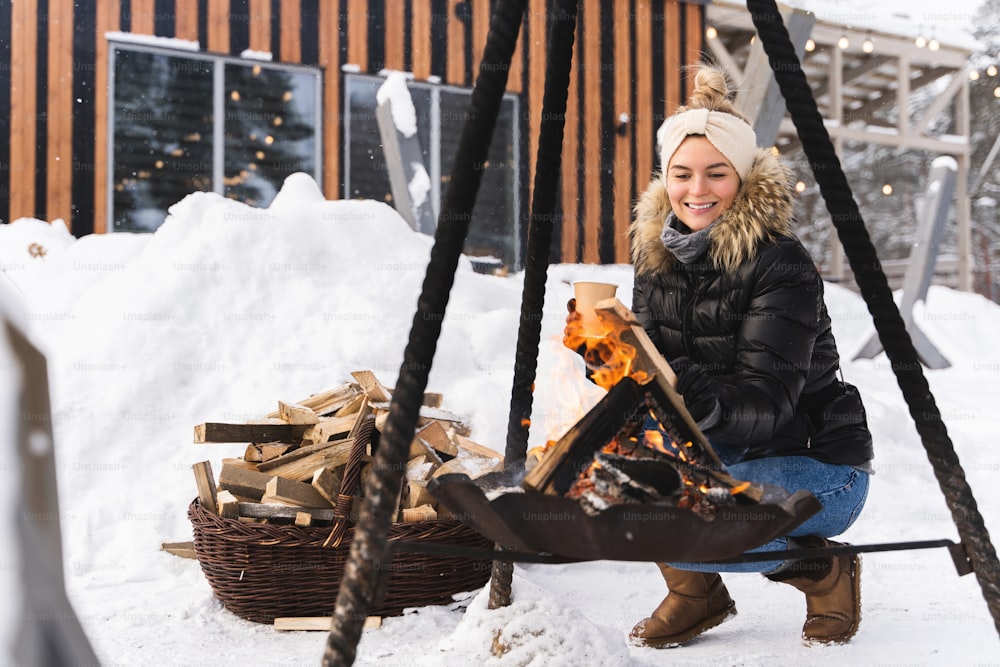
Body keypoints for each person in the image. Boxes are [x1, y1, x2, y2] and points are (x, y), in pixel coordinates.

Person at [566, 64, 874, 648]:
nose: (697, 190)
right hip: (717, 456)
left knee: (691, 511)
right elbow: (647, 379)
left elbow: (767, 403)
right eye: (682, 174)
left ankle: (823, 570)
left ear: (744, 178)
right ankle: (697, 592)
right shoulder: (657, 259)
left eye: (716, 173)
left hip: (815, 467)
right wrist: (607, 355)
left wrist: (684, 387)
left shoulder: (779, 264)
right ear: (665, 179)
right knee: (607, 485)